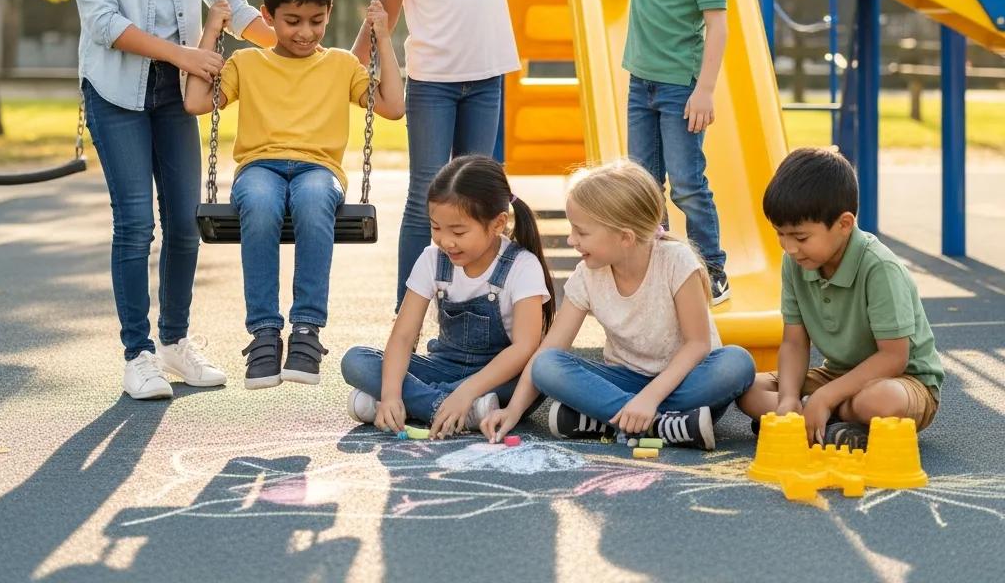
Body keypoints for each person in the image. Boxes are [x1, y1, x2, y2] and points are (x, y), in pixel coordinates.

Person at [63, 0, 277, 400]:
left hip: (174, 97)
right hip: (117, 93)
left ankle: (176, 342)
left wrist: (288, 46)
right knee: (135, 225)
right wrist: (184, 53)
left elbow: (227, 4)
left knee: (184, 224)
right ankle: (138, 354)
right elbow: (103, 23)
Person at [353, 0, 573, 310]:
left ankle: (475, 305)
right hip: (434, 85)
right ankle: (406, 312)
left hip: (486, 80)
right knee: (424, 198)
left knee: (479, 198)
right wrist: (345, 68)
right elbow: (383, 14)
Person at [184, 0, 404, 389]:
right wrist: (212, 31)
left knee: (312, 197)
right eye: (292, 21)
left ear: (329, 16)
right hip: (259, 167)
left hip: (317, 169)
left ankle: (306, 332)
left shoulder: (342, 64)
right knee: (262, 203)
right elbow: (195, 102)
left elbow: (394, 107)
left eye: (316, 21)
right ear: (267, 16)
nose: (305, 32)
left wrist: (383, 39)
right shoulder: (247, 63)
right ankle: (265, 333)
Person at [568, 0, 735, 304]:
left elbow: (717, 28)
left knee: (686, 181)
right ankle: (658, 260)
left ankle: (712, 267)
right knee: (642, 180)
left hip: (681, 88)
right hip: (641, 83)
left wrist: (705, 89)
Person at [482, 160, 755, 448]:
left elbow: (697, 345)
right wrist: (513, 410)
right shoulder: (587, 275)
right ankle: (665, 426)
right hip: (626, 382)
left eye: (582, 232)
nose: (571, 239)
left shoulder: (676, 261)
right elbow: (550, 351)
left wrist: (650, 399)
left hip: (686, 381)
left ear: (625, 237)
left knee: (736, 364)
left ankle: (611, 419)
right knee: (547, 366)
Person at [737, 148, 944, 450]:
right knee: (748, 389)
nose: (789, 247)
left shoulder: (879, 267)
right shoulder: (794, 263)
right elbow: (794, 343)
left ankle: (821, 415)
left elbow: (893, 357)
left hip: (904, 381)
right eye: (780, 234)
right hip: (837, 375)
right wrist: (789, 398)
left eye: (800, 237)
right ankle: (822, 419)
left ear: (844, 224)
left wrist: (824, 397)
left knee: (880, 400)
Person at [341, 156, 555, 438]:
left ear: (497, 224)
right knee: (356, 360)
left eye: (458, 231)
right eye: (436, 228)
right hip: (443, 367)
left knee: (536, 378)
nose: (445, 241)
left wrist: (467, 390)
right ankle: (455, 411)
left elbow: (524, 348)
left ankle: (413, 404)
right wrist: (392, 393)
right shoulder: (433, 259)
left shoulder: (522, 265)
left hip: (499, 375)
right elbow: (403, 336)